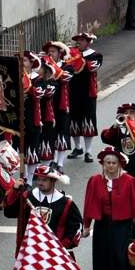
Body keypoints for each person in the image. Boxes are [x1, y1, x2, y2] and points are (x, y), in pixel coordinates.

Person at [82, 147, 135, 270]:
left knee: (122, 258)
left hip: (123, 227)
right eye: (108, 163)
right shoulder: (95, 181)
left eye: (114, 163)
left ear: (119, 164)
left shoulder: (130, 181)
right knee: (108, 258)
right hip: (103, 226)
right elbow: (89, 204)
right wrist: (86, 226)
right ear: (104, 164)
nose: (111, 166)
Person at [101, 103, 135, 228]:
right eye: (126, 113)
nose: (128, 115)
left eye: (131, 113)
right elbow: (105, 137)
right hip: (120, 176)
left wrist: (132, 128)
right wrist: (115, 126)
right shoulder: (118, 131)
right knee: (122, 207)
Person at [67, 32, 103, 163]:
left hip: (88, 94)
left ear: (88, 42)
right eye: (78, 40)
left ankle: (88, 151)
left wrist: (75, 57)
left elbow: (91, 67)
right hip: (72, 93)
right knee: (73, 121)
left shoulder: (96, 55)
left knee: (88, 121)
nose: (79, 42)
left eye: (82, 40)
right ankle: (78, 147)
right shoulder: (72, 55)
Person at [41, 41, 75, 173]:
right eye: (48, 52)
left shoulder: (68, 67)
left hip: (61, 105)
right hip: (47, 105)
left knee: (62, 132)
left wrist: (50, 64)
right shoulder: (45, 66)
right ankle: (50, 162)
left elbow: (64, 77)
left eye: (53, 51)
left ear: (60, 53)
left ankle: (60, 163)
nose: (50, 54)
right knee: (49, 133)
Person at [14, 52, 46, 189]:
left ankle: (29, 179)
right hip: (16, 120)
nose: (22, 63)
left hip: (32, 119)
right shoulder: (14, 78)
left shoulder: (39, 79)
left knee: (31, 151)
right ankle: (22, 178)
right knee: (18, 150)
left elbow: (39, 93)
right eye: (20, 60)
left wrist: (26, 84)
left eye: (25, 60)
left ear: (32, 63)